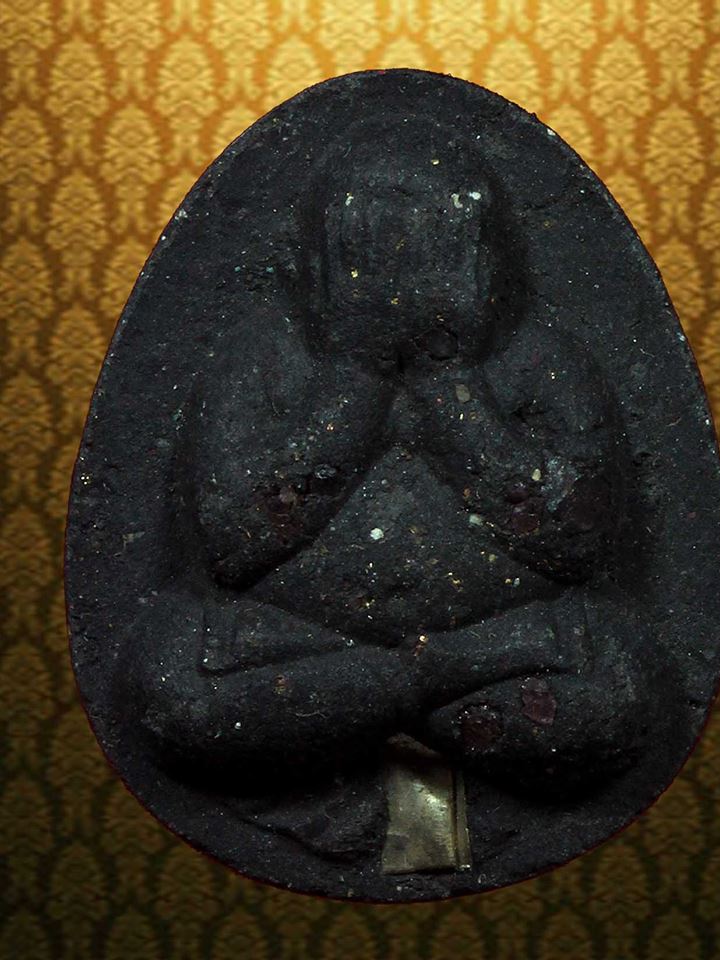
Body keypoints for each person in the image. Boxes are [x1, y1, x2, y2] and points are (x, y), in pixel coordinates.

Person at [115, 120, 668, 863]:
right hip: (311, 642)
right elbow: (231, 546)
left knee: (619, 689)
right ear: (310, 267)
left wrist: (449, 387)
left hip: (488, 643)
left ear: (490, 265)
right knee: (171, 686)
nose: (403, 285)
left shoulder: (541, 360)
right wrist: (356, 380)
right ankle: (413, 693)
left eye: (440, 254)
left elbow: (577, 544)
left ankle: (355, 712)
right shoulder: (263, 360)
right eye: (366, 257)